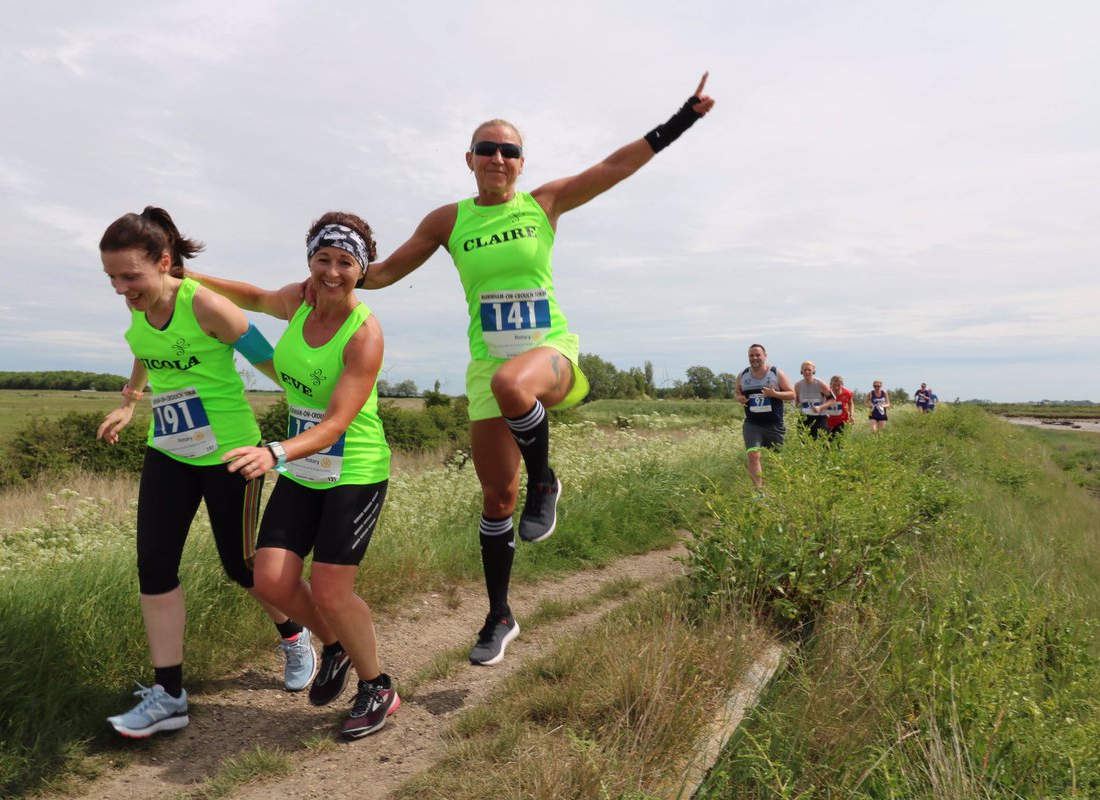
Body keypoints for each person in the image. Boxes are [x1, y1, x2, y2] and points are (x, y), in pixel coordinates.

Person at [350, 74, 716, 666]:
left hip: (551, 355)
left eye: (510, 150)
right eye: (487, 149)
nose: (499, 157)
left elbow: (616, 166)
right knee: (497, 498)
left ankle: (546, 482)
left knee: (513, 384)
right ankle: (499, 615)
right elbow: (386, 272)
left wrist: (681, 119)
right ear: (469, 159)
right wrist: (336, 269)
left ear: (522, 162)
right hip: (486, 367)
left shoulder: (544, 203)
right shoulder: (449, 220)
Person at [96, 207, 316, 739]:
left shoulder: (208, 306)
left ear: (165, 263)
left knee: (243, 568)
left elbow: (273, 363)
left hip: (229, 454)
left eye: (131, 276)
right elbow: (146, 350)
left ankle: (295, 634)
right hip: (168, 450)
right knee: (154, 566)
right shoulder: (140, 306)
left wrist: (326, 410)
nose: (123, 289)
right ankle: (169, 694)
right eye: (112, 279)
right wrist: (131, 401)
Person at [189, 212, 398, 739]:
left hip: (353, 468)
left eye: (345, 262)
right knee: (271, 579)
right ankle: (335, 647)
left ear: (362, 268)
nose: (331, 272)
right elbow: (252, 297)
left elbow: (335, 424)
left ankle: (378, 686)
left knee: (330, 589)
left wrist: (274, 452)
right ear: (310, 259)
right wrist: (185, 279)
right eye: (322, 258)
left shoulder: (364, 335)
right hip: (304, 467)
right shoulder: (298, 298)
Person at [735, 344, 795, 488]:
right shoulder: (743, 375)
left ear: (765, 356)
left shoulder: (775, 373)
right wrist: (739, 398)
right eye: (751, 355)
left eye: (757, 355)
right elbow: (737, 392)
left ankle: (781, 487)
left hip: (774, 425)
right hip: (752, 424)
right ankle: (758, 492)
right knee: (753, 455)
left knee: (777, 460)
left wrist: (774, 394)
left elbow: (792, 394)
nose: (754, 358)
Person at [794, 361, 833, 439]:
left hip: (819, 418)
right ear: (801, 371)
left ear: (813, 371)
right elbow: (797, 401)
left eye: (809, 370)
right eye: (805, 370)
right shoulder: (798, 385)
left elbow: (832, 399)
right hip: (804, 418)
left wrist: (820, 407)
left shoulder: (820, 384)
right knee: (803, 443)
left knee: (820, 443)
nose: (807, 372)